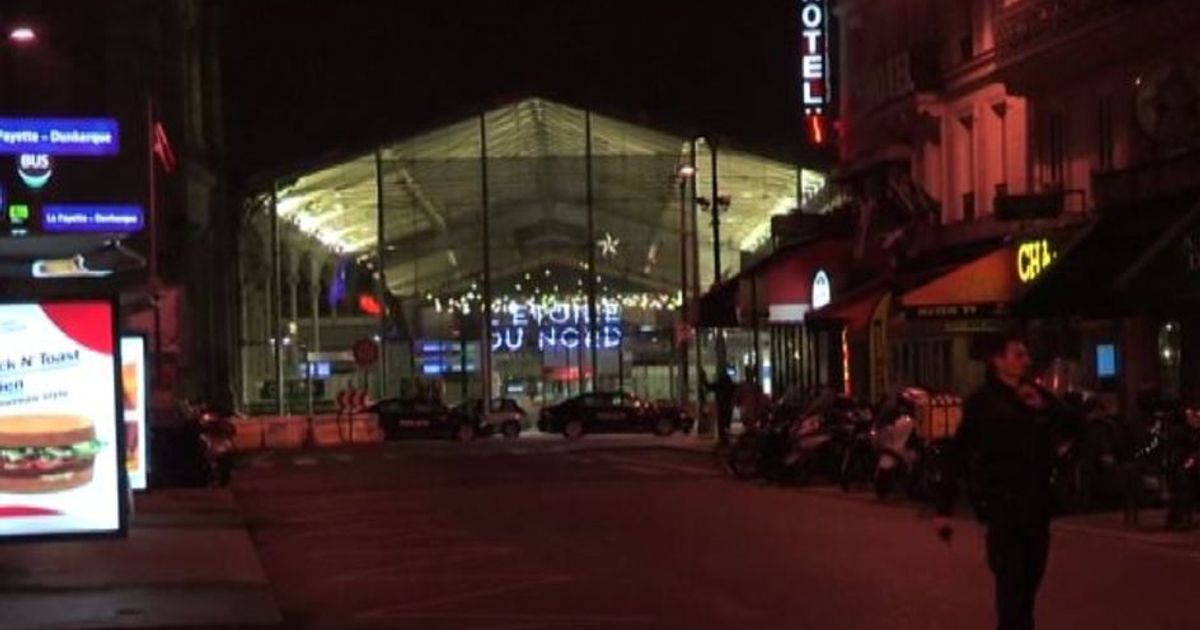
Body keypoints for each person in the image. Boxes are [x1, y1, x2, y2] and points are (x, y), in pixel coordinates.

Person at [933, 333, 1078, 630]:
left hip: (1037, 507)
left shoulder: (1036, 395)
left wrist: (1046, 408)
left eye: (1026, 355)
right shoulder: (983, 403)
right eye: (1018, 355)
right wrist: (943, 508)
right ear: (999, 361)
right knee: (1011, 590)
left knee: (1028, 588)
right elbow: (958, 452)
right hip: (1003, 507)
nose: (1026, 360)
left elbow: (1076, 426)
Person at [704, 367, 737, 444]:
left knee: (722, 422)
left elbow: (709, 386)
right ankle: (725, 436)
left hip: (722, 405)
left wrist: (704, 379)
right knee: (726, 422)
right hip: (728, 405)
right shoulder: (730, 385)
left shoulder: (719, 385)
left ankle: (723, 437)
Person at [734, 367, 771, 432]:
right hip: (749, 408)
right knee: (750, 424)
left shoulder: (746, 387)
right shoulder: (754, 387)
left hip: (748, 408)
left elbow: (737, 398)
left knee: (749, 424)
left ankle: (750, 433)